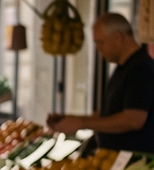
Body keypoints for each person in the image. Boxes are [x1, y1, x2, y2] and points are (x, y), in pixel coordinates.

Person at [48, 13, 154, 151]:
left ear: (117, 37)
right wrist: (72, 120)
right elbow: (110, 112)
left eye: (100, 42)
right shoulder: (124, 67)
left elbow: (133, 120)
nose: (98, 49)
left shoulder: (140, 69)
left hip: (134, 159)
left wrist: (82, 123)